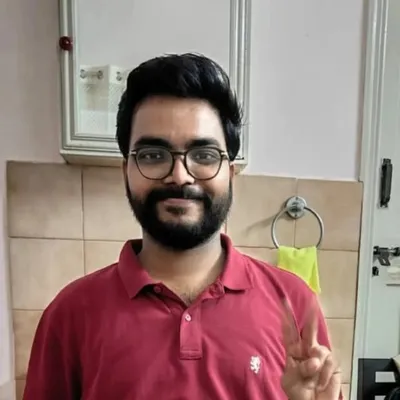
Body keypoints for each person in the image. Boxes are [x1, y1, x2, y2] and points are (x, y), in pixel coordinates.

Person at [23, 53, 342, 400]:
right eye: (153, 155)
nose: (179, 176)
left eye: (203, 155)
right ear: (125, 172)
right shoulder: (69, 315)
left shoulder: (292, 301)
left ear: (230, 173)